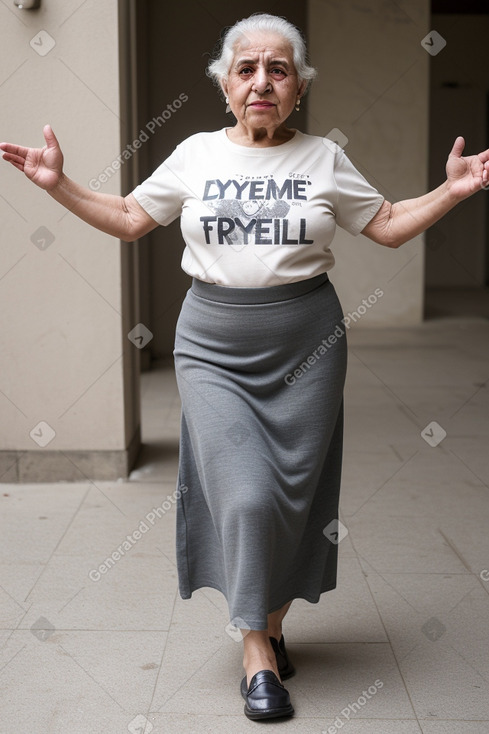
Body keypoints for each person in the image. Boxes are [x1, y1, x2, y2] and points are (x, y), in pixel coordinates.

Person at [1, 11, 488, 722]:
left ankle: (269, 623)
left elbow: (383, 224)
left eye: (279, 69)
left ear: (297, 89)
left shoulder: (322, 157)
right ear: (224, 85)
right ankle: (255, 651)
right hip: (214, 348)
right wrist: (60, 186)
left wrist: (452, 189)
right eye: (246, 68)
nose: (262, 81)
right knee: (246, 497)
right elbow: (134, 216)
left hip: (308, 347)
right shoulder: (197, 154)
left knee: (294, 500)